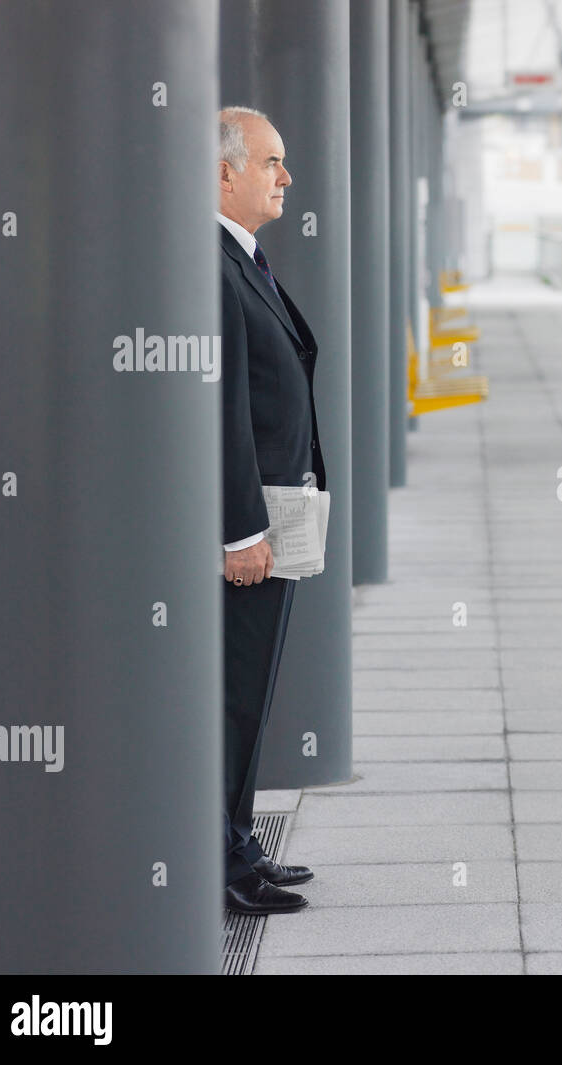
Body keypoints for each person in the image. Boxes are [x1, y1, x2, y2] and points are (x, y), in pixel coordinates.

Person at [217, 106, 325, 915]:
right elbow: (219, 407)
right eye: (272, 162)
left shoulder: (243, 256)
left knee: (255, 687)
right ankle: (223, 860)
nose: (286, 177)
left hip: (280, 503)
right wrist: (241, 528)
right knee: (232, 692)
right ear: (226, 172)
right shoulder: (210, 264)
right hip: (251, 522)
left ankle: (243, 839)